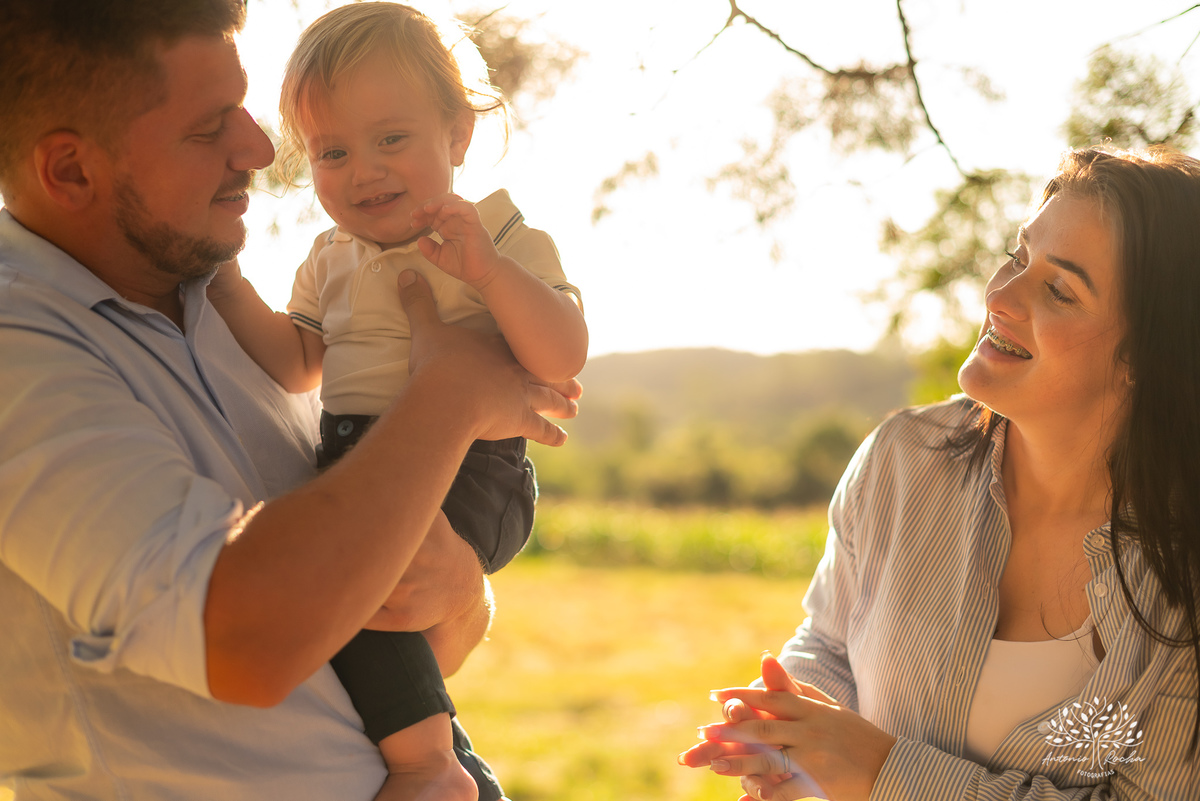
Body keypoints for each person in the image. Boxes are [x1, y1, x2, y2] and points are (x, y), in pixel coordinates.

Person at [0, 2, 578, 800]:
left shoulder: (209, 291)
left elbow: (380, 594)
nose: (263, 148)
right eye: (210, 128)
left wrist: (461, 591)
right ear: (70, 169)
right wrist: (459, 390)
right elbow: (247, 638)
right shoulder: (18, 347)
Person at [680, 147, 1200, 800]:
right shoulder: (901, 460)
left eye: (1059, 289)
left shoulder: (1183, 577)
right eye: (1017, 257)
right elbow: (830, 638)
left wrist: (880, 772)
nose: (1001, 296)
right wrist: (796, 732)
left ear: (1144, 358)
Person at [205, 4, 587, 800]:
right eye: (333, 151)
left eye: (391, 139)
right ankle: (435, 752)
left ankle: (427, 765)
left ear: (457, 137)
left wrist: (486, 274)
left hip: (475, 465)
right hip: (355, 449)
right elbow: (298, 364)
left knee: (362, 584)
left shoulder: (500, 235)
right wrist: (227, 282)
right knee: (342, 593)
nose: (363, 169)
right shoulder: (329, 257)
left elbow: (561, 356)